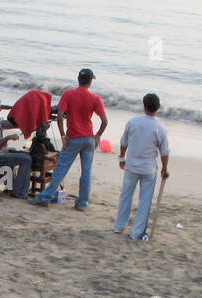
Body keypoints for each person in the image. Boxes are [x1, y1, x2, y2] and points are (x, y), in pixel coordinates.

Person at [36, 68, 108, 209]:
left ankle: (45, 197)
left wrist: (63, 135)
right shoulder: (95, 98)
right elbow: (105, 121)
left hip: (73, 137)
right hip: (88, 138)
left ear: (78, 79)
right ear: (90, 81)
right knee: (86, 171)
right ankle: (82, 203)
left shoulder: (68, 94)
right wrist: (98, 135)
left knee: (61, 169)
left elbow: (60, 117)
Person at [116, 93, 170, 241]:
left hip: (132, 165)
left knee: (126, 196)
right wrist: (165, 168)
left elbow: (124, 142)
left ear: (144, 105)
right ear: (157, 108)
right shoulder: (160, 128)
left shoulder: (133, 122)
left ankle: (119, 225)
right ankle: (137, 232)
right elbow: (164, 152)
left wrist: (122, 157)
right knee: (145, 201)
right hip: (148, 168)